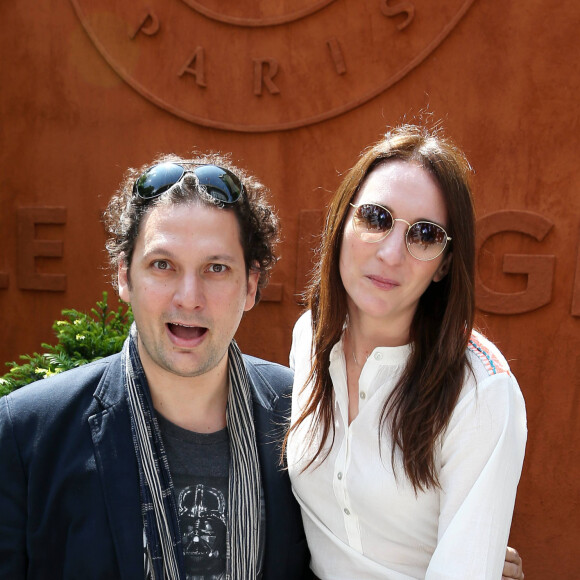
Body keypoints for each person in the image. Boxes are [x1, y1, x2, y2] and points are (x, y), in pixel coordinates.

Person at [0, 155, 310, 579]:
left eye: (216, 268)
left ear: (251, 285)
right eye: (162, 265)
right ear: (125, 276)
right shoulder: (27, 433)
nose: (188, 297)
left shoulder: (303, 415)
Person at [286, 124, 527, 579]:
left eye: (424, 235)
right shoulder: (310, 338)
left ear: (444, 266)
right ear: (342, 224)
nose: (392, 253)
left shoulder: (481, 391)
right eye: (375, 218)